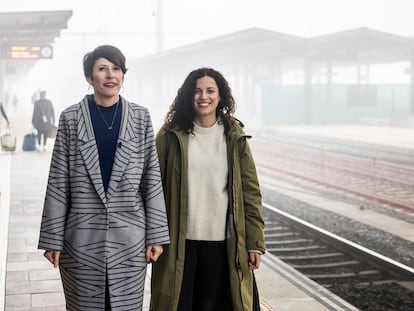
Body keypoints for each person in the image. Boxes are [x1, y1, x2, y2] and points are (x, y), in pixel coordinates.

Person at [38, 45, 170, 310]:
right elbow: (58, 181)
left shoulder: (140, 117)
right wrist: (53, 238)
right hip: (81, 241)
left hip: (129, 239)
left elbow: (151, 178)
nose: (111, 75)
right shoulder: (71, 118)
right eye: (102, 69)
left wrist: (155, 235)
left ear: (123, 76)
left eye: (117, 68)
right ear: (89, 78)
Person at [150, 67, 266, 311]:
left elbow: (250, 192)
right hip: (180, 246)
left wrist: (254, 242)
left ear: (220, 95)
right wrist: (153, 237)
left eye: (210, 90)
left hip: (224, 247)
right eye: (197, 91)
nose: (204, 96)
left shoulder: (235, 136)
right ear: (187, 96)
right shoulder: (169, 136)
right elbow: (152, 190)